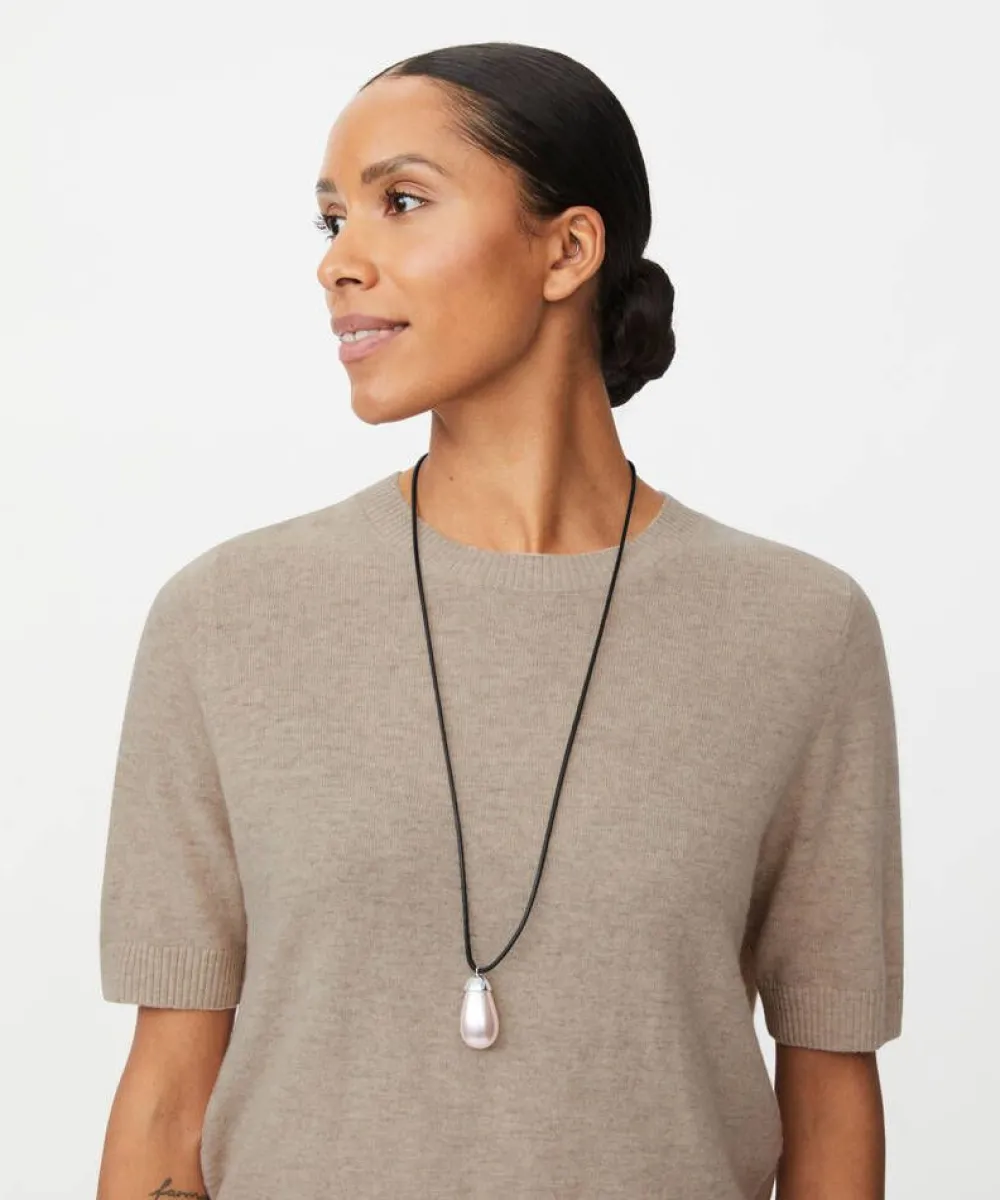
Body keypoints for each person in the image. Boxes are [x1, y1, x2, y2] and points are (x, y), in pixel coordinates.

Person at [96, 41, 904, 1200]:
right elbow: (169, 1097)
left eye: (400, 203)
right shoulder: (224, 620)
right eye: (332, 220)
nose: (339, 262)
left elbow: (827, 1094)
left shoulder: (798, 631)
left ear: (567, 250)